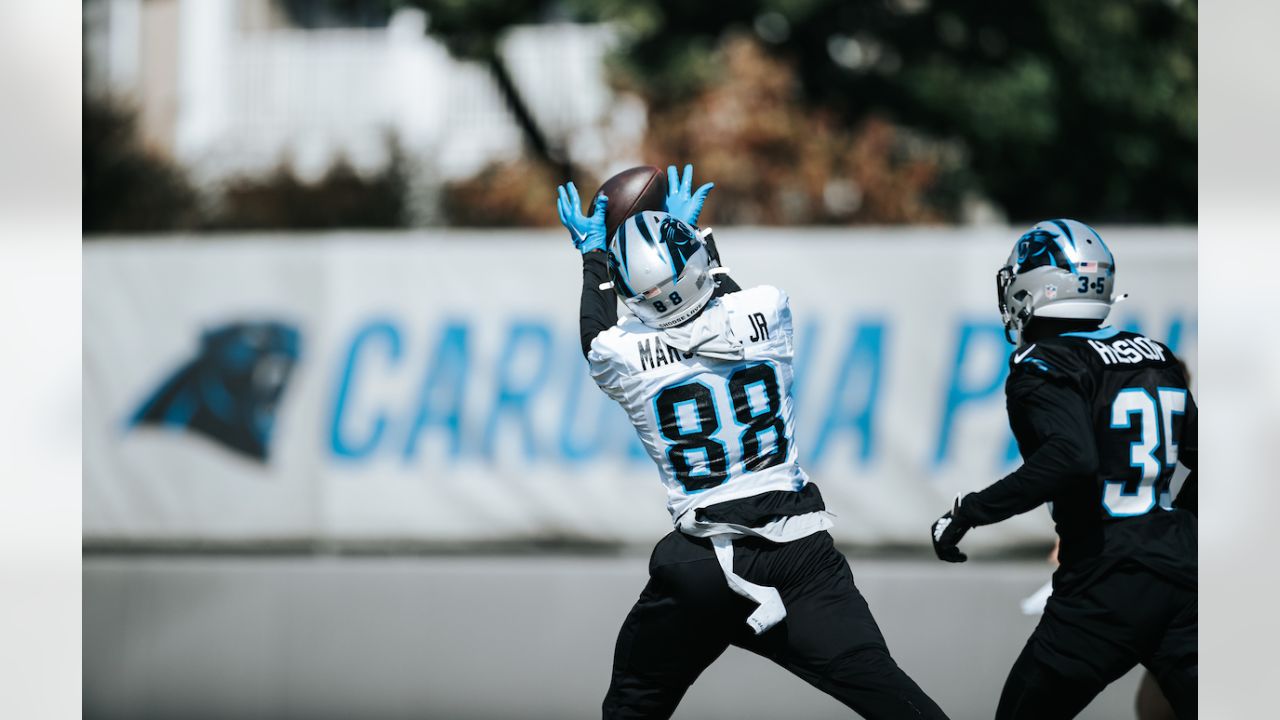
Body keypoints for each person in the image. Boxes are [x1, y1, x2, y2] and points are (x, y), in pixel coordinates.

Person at [556, 166, 949, 719]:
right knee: (884, 690)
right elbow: (720, 293)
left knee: (631, 707)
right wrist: (697, 240)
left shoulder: (621, 355)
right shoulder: (766, 308)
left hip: (701, 565)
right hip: (799, 553)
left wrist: (594, 255)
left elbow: (595, 333)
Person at [929, 219, 1197, 719]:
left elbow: (1069, 459)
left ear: (1041, 284)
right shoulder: (1156, 354)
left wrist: (971, 511)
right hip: (1183, 572)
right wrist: (1177, 529)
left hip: (1107, 580)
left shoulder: (1045, 362)